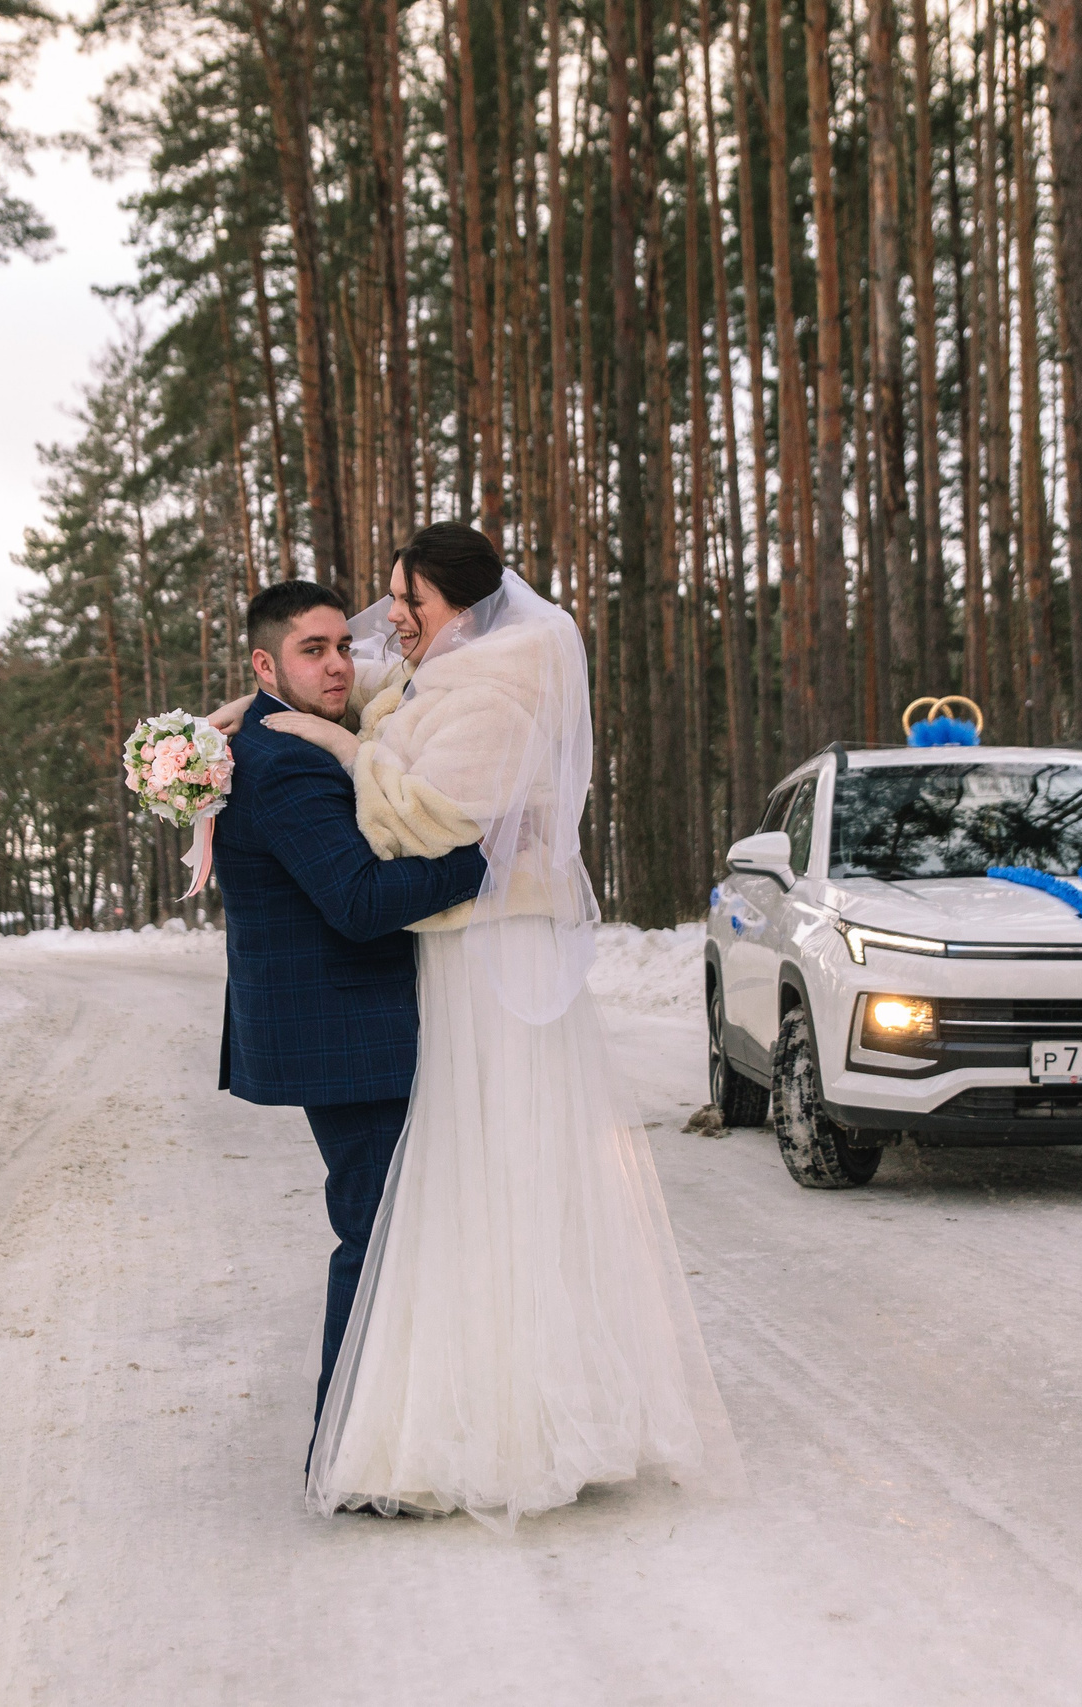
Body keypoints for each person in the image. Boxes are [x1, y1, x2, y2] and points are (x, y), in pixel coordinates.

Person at [238, 522, 736, 1532]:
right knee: (451, 1194)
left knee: (492, 1185)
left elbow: (411, 825)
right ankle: (436, 1408)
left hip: (486, 958)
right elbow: (372, 680)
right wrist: (231, 719)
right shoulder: (446, 672)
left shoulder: (496, 693)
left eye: (405, 603)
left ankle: (514, 1418)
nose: (388, 625)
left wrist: (338, 743)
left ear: (456, 606)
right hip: (453, 958)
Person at [212, 580, 489, 1443]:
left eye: (342, 645)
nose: (339, 664)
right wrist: (483, 855)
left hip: (339, 1024)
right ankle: (350, 1450)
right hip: (349, 1031)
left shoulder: (267, 733)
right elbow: (362, 900)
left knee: (384, 1225)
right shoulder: (286, 761)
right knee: (376, 1232)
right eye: (314, 650)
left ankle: (379, 1435)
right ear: (266, 664)